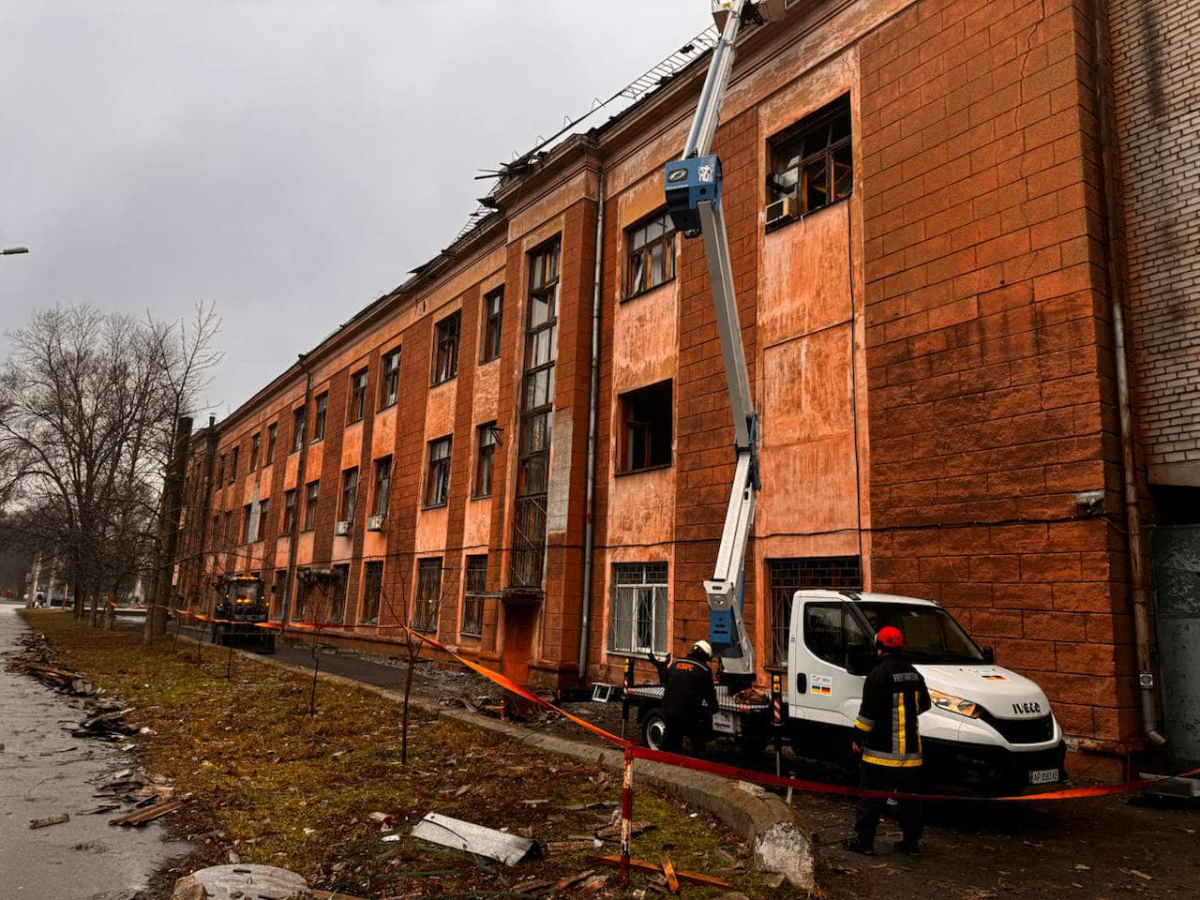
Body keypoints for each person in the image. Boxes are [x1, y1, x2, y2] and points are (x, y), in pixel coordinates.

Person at [844, 625, 932, 857]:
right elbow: (924, 704)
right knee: (910, 802)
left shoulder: (878, 674)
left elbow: (867, 715)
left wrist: (857, 738)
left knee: (871, 799)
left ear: (879, 647)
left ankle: (864, 842)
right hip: (911, 756)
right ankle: (911, 844)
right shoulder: (914, 673)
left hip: (880, 754)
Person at [661, 640, 719, 758]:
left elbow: (666, 680)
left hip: (668, 710)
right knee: (698, 741)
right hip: (688, 713)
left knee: (673, 740)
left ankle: (669, 762)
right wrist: (714, 708)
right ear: (705, 655)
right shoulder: (703, 670)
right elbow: (709, 693)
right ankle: (698, 763)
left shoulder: (676, 663)